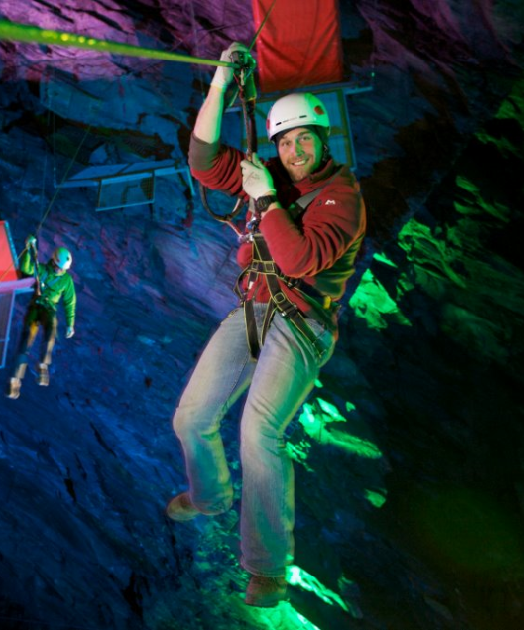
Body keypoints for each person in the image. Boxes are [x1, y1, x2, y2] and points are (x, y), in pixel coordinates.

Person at [166, 42, 366, 607]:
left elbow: (300, 260)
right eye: (286, 141)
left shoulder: (342, 196)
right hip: (256, 308)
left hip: (303, 323)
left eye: (306, 139)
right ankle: (210, 498)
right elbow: (204, 163)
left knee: (260, 431)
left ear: (325, 141)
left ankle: (269, 565)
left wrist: (268, 199)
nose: (296, 150)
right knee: (191, 417)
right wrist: (219, 84)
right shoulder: (271, 173)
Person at [6, 235, 76, 399]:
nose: (60, 270)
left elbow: (69, 302)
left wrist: (70, 324)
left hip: (49, 309)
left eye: (62, 269)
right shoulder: (42, 269)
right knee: (25, 342)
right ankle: (14, 380)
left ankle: (43, 365)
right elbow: (26, 268)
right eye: (58, 267)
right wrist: (28, 249)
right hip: (35, 306)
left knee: (51, 327)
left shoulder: (66, 281)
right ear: (53, 261)